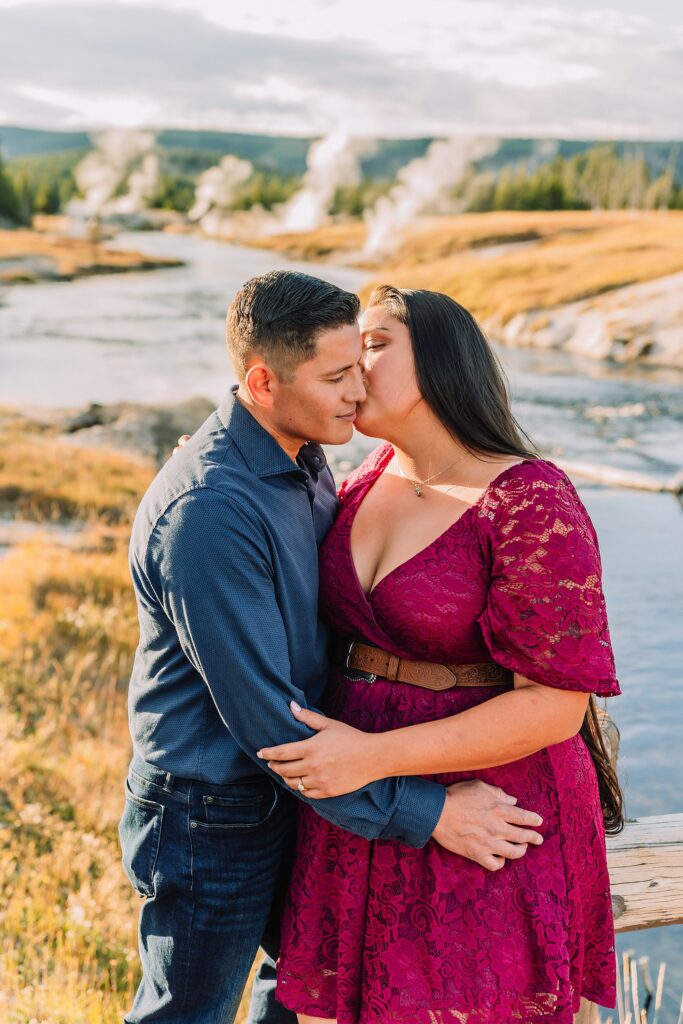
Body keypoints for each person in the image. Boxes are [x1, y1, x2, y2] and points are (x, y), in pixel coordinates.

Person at [120, 272, 544, 1024]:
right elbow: (271, 727)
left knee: (296, 996)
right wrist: (429, 811)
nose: (359, 388)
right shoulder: (211, 511)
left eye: (362, 361)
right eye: (336, 374)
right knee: (186, 1013)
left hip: (305, 801)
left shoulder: (306, 455)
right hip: (212, 810)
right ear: (262, 380)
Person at [258, 286, 624, 1024]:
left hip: (485, 812)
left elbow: (556, 703)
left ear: (440, 360)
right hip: (364, 805)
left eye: (376, 342)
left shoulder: (529, 500)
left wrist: (372, 758)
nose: (353, 362)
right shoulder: (361, 479)